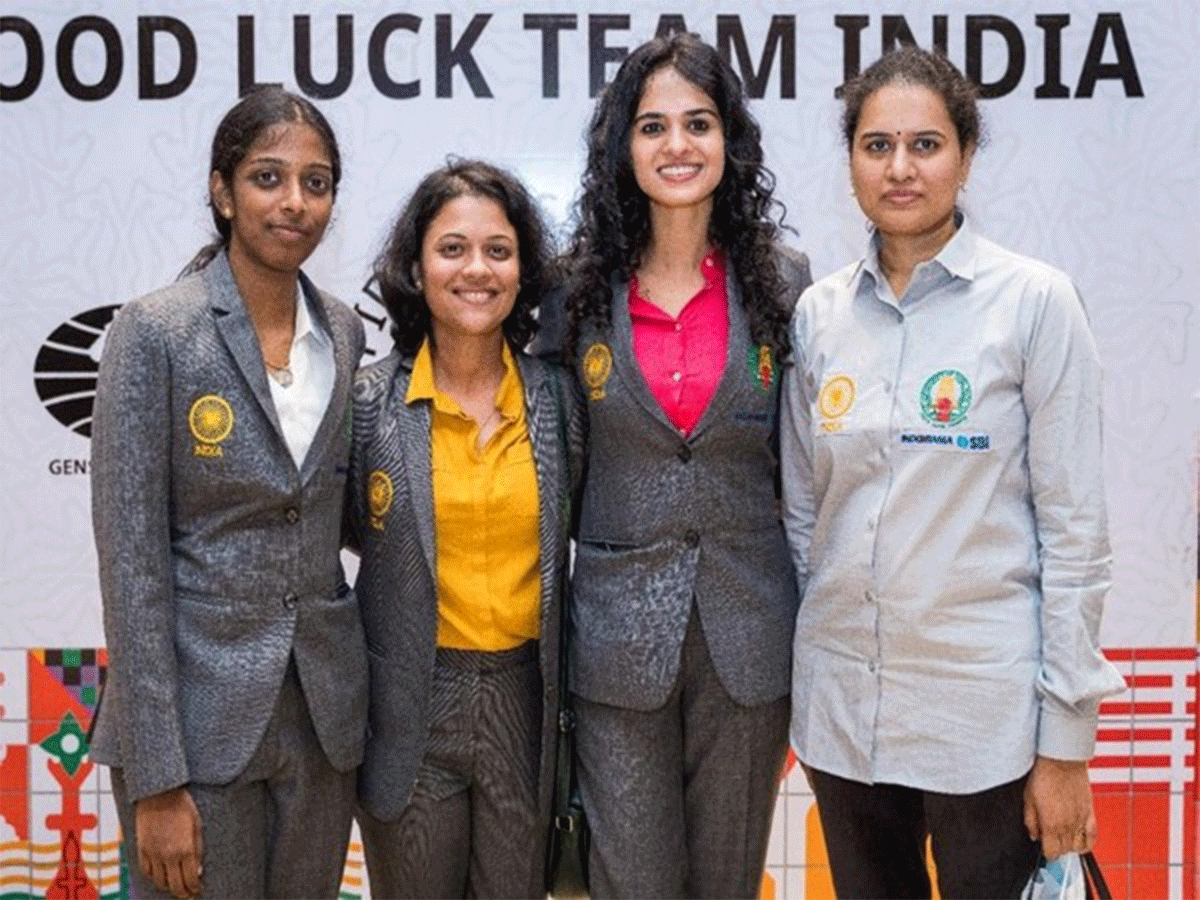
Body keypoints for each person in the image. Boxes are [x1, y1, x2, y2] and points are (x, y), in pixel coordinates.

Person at [779, 45, 1127, 899]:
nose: (900, 168)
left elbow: (1076, 535)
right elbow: (800, 516)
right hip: (843, 729)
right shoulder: (818, 316)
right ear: (852, 160)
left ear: (966, 157)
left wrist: (1066, 744)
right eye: (876, 145)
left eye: (926, 145)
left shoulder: (1034, 303)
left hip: (985, 728)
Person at [550, 32, 811, 899]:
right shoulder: (575, 291)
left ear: (729, 141)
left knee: (727, 885)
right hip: (617, 645)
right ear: (623, 146)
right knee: (632, 884)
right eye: (652, 126)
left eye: (698, 123)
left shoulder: (783, 278)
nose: (676, 146)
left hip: (748, 641)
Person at [88, 86, 367, 900]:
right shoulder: (155, 330)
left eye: (316, 184)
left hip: (321, 722)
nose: (294, 202)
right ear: (222, 190)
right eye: (268, 177)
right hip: (196, 729)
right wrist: (155, 776)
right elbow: (132, 567)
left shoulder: (345, 333)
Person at [347, 158, 584, 899]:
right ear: (416, 268)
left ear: (522, 271)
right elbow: (352, 535)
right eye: (452, 249)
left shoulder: (560, 401)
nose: (475, 269)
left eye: (498, 250)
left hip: (524, 697)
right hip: (409, 703)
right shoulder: (366, 405)